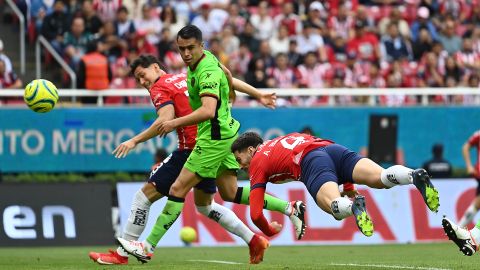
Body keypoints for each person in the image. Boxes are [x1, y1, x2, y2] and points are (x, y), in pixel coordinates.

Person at [117, 25, 306, 265]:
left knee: (177, 190)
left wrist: (173, 122)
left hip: (212, 139)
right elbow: (228, 75)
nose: (185, 53)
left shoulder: (198, 72)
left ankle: (146, 246)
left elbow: (207, 111)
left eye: (190, 48)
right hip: (227, 134)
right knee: (229, 192)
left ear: (201, 46)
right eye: (181, 49)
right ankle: (290, 208)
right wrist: (257, 94)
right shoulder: (204, 61)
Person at [230, 132, 440, 238]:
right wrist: (348, 185)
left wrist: (268, 230)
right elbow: (331, 162)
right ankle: (413, 175)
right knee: (381, 178)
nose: (240, 167)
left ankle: (353, 207)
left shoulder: (258, 160)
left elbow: (256, 214)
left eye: (239, 160)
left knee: (332, 205)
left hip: (310, 162)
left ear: (250, 150)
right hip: (332, 150)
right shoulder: (281, 140)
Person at [457, 130, 480, 228]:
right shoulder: (478, 135)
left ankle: (458, 229)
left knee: (477, 204)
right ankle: (458, 230)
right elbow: (465, 147)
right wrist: (469, 166)